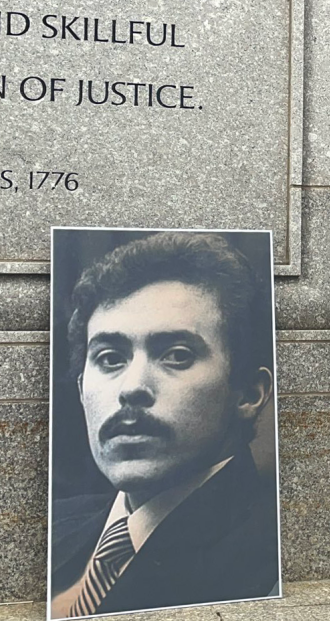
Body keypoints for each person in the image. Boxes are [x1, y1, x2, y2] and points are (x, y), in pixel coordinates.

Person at [49, 231, 279, 619]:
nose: (132, 387)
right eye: (109, 358)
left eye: (176, 355)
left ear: (248, 394)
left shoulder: (268, 560)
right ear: (80, 389)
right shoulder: (58, 525)